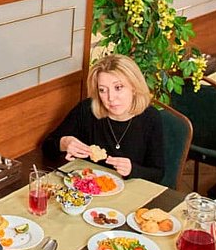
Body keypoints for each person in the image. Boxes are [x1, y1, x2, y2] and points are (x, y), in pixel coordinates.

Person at [42, 54, 165, 183]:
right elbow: (47, 147)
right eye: (102, 90)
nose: (110, 97)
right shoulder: (86, 110)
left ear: (134, 87)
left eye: (118, 88)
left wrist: (132, 169)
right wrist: (64, 143)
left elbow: (158, 173)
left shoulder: (150, 118)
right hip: (88, 188)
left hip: (132, 190)